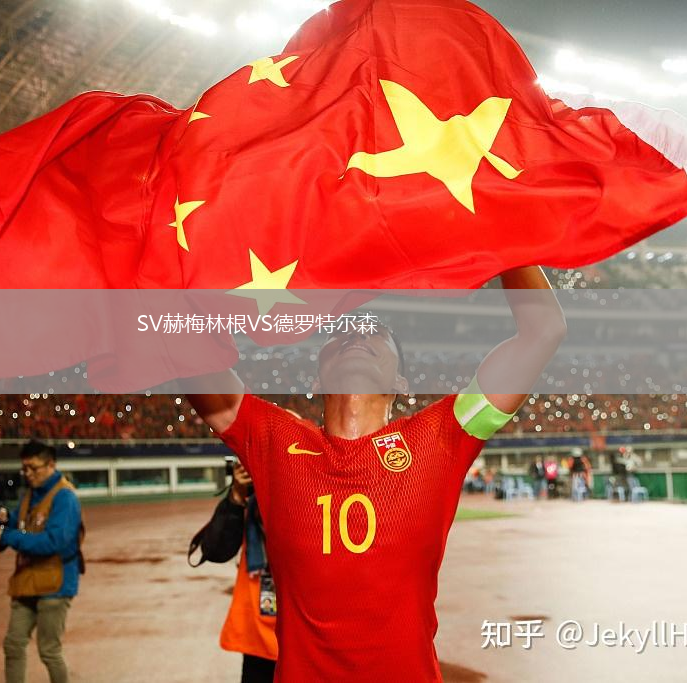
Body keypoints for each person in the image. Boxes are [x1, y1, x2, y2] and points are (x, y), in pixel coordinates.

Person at [185, 266, 565, 681]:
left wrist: (508, 246)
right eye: (340, 333)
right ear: (316, 379)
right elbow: (182, 347)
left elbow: (543, 331)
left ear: (401, 382)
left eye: (375, 332)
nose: (357, 335)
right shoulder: (276, 440)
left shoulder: (441, 435)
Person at [0, 441, 83, 683]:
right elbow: (20, 525)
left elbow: (53, 542)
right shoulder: (30, 494)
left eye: (33, 468)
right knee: (13, 644)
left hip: (55, 583)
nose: (28, 473)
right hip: (27, 580)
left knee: (49, 651)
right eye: (24, 468)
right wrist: (3, 524)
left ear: (51, 465)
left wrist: (7, 536)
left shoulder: (65, 497)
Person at [189, 460, 278, 683]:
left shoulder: (314, 496)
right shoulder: (249, 499)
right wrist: (237, 496)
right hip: (258, 639)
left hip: (304, 636)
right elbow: (216, 550)